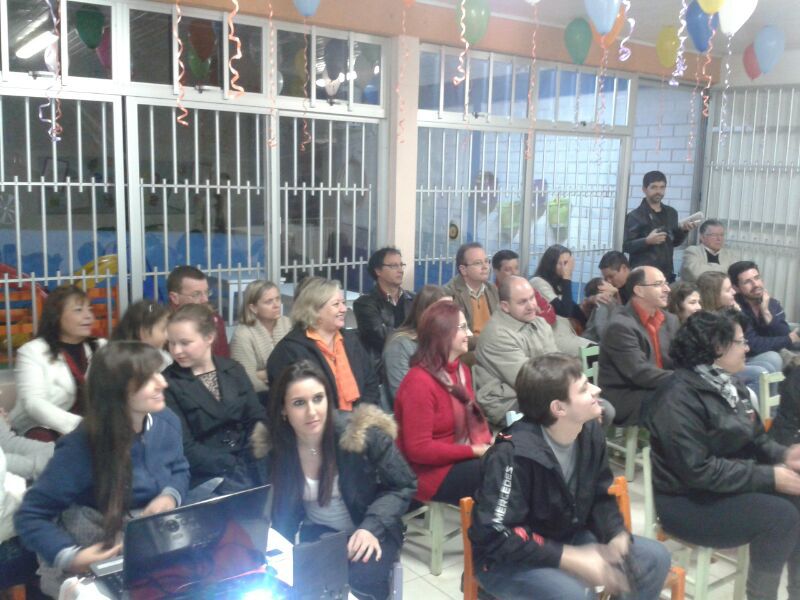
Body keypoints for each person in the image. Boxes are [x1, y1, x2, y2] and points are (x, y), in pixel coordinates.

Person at [470, 353, 671, 600]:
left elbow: (599, 495)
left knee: (655, 558)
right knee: (573, 594)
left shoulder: (589, 432)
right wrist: (570, 557)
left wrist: (615, 533)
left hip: (565, 534)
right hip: (508, 558)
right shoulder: (512, 454)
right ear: (559, 408)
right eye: (585, 388)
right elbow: (496, 534)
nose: (597, 390)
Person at [644, 310, 800, 600]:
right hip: (687, 501)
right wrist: (770, 477)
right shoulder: (676, 396)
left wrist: (786, 455)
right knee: (781, 517)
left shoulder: (729, 384)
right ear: (717, 348)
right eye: (740, 342)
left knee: (797, 499)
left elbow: (756, 439)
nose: (747, 348)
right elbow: (698, 471)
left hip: (726, 485)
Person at [14, 342, 189, 597]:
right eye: (147, 379)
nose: (162, 382)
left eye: (158, 373)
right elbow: (30, 515)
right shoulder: (82, 446)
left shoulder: (166, 421)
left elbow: (180, 468)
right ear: (118, 391)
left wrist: (170, 495)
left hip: (154, 542)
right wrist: (71, 556)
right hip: (99, 547)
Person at [252, 360, 416, 600]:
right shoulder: (276, 448)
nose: (312, 411)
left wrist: (370, 527)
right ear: (283, 410)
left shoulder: (360, 433)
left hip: (371, 527)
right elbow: (279, 512)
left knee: (359, 588)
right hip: (320, 533)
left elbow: (403, 484)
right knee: (302, 590)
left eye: (318, 399)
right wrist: (274, 553)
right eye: (299, 403)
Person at [394, 301, 492, 504]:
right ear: (443, 334)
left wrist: (484, 445)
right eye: (462, 327)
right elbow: (419, 450)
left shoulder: (461, 371)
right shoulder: (418, 382)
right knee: (500, 471)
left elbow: (471, 422)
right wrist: (473, 450)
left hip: (457, 458)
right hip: (427, 474)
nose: (469, 334)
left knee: (511, 457)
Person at [164, 304, 265, 490]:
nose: (176, 350)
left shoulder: (233, 369)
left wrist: (252, 455)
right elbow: (185, 447)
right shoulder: (168, 383)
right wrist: (231, 464)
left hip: (248, 461)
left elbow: (256, 416)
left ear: (209, 337)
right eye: (171, 343)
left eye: (185, 343)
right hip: (204, 473)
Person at [267, 278, 381, 410]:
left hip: (361, 419)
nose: (344, 309)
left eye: (343, 303)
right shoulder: (290, 350)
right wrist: (341, 420)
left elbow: (371, 382)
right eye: (336, 304)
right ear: (315, 310)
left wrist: (362, 416)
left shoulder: (351, 341)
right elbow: (293, 403)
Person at [11, 284, 106, 441]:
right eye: (78, 310)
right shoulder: (32, 352)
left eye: (89, 309)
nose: (88, 316)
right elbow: (34, 403)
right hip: (41, 427)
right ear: (57, 316)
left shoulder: (101, 347)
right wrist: (81, 426)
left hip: (93, 427)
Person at [598, 266, 680, 426]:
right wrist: (684, 381)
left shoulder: (670, 320)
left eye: (666, 283)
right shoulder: (620, 326)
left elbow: (681, 358)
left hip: (660, 387)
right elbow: (640, 373)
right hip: (628, 395)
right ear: (639, 290)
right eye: (658, 284)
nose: (667, 289)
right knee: (683, 402)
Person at [473, 276, 558, 426]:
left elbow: (557, 362)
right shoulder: (497, 335)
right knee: (567, 412)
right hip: (506, 402)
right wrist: (568, 390)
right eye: (522, 302)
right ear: (505, 306)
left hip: (538, 391)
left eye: (532, 298)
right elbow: (528, 381)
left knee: (584, 409)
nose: (531, 306)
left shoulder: (540, 323)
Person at [697, 271, 781, 395]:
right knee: (760, 373)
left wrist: (738, 314)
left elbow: (745, 337)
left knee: (772, 359)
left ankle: (770, 407)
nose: (734, 292)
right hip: (715, 367)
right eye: (728, 290)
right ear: (714, 295)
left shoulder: (729, 310)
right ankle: (750, 407)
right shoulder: (704, 319)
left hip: (735, 358)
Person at [622, 171, 697, 282]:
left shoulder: (671, 213)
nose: (658, 191)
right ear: (644, 189)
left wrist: (683, 231)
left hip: (666, 273)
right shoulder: (634, 216)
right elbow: (626, 246)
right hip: (643, 275)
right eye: (654, 187)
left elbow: (674, 242)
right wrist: (647, 241)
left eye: (662, 187)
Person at [382, 285, 450, 404]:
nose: (451, 317)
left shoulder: (444, 340)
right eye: (444, 311)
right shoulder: (399, 345)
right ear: (426, 313)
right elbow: (403, 395)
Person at [729, 261, 800, 370]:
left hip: (772, 350)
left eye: (757, 278)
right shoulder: (735, 308)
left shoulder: (772, 303)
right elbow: (753, 344)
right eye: (747, 282)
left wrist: (766, 312)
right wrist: (787, 339)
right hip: (746, 357)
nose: (756, 284)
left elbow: (785, 334)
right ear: (736, 288)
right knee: (774, 357)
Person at [353, 247, 414, 371]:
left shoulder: (413, 299)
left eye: (401, 265)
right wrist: (414, 334)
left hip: (413, 361)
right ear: (378, 271)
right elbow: (381, 336)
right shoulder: (365, 304)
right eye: (393, 266)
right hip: (382, 368)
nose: (400, 270)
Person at [229, 280, 292, 395]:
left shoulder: (288, 324)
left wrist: (263, 374)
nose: (276, 305)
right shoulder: (243, 334)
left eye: (278, 299)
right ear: (253, 308)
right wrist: (276, 394)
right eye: (269, 302)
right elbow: (247, 379)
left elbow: (299, 365)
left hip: (292, 391)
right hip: (261, 397)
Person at [530, 245, 594, 356]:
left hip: (567, 333)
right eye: (561, 263)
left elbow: (573, 309)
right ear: (551, 264)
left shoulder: (558, 282)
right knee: (596, 352)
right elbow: (565, 311)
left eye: (567, 264)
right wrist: (567, 277)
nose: (565, 268)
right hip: (553, 337)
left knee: (602, 348)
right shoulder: (538, 282)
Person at [444, 242, 498, 350]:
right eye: (478, 263)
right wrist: (490, 343)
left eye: (486, 261)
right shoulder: (450, 293)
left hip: (494, 346)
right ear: (463, 270)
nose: (485, 267)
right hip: (468, 350)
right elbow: (458, 332)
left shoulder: (492, 289)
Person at [167, 265, 230, 358]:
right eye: (196, 294)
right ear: (174, 298)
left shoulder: (215, 321)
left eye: (207, 292)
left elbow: (223, 361)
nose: (205, 299)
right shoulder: (162, 327)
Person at [492, 249, 556, 325]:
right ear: (496, 271)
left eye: (516, 268)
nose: (514, 273)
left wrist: (528, 316)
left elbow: (551, 316)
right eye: (508, 270)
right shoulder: (492, 294)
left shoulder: (526, 289)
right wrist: (535, 313)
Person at [112, 299, 172, 368]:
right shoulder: (115, 361)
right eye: (163, 329)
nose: (168, 336)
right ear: (143, 331)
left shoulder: (165, 359)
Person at [680, 219, 735, 283]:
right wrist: (725, 270)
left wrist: (708, 267)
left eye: (721, 235)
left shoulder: (729, 254)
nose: (719, 238)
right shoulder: (692, 251)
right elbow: (696, 274)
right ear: (702, 237)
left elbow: (735, 274)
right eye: (714, 235)